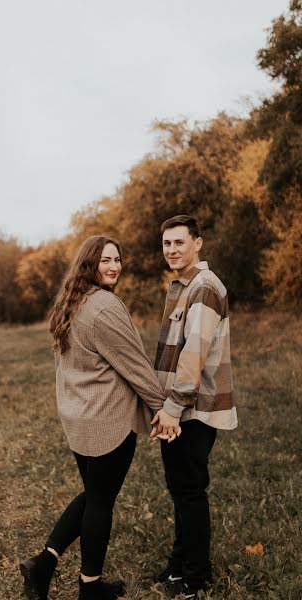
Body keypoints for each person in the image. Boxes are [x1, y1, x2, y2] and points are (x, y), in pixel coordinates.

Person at [20, 235, 177, 600]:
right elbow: (135, 365)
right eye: (105, 260)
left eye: (117, 259)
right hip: (107, 421)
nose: (113, 266)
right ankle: (89, 589)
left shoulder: (71, 303)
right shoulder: (104, 307)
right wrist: (163, 408)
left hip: (78, 417)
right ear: (89, 263)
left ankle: (42, 565)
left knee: (94, 494)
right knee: (101, 501)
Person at [152, 215, 238, 599]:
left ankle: (196, 577)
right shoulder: (183, 286)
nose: (172, 250)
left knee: (189, 491)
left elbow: (194, 352)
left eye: (179, 242)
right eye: (167, 243)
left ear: (197, 243)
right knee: (180, 488)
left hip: (192, 408)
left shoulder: (204, 287)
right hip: (179, 406)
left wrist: (172, 407)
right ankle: (178, 566)